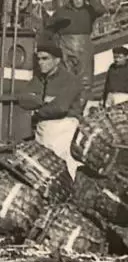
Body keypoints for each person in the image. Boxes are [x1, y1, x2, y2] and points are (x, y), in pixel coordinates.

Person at [17, 43, 86, 178]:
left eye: (45, 58)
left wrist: (37, 110)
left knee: (60, 167)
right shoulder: (39, 78)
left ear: (57, 60)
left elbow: (60, 108)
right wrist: (43, 101)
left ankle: (68, 195)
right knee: (42, 169)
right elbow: (23, 98)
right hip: (43, 128)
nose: (40, 62)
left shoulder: (69, 80)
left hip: (63, 128)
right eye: (39, 59)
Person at [46, 0, 106, 93]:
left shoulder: (89, 10)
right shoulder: (62, 11)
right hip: (65, 48)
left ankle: (81, 104)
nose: (79, 1)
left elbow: (101, 10)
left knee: (85, 81)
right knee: (66, 80)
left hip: (84, 49)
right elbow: (50, 27)